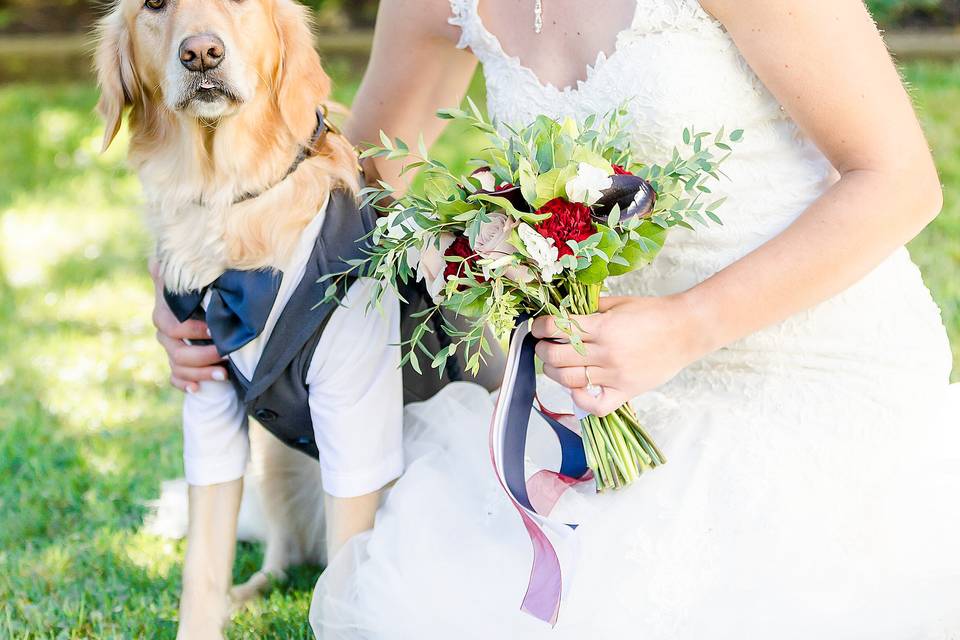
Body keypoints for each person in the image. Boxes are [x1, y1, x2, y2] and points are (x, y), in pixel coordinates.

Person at [154, 0, 960, 637]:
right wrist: (196, 289)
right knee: (436, 605)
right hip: (585, 391)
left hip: (805, 364)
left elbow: (900, 183)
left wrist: (685, 325)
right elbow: (352, 181)